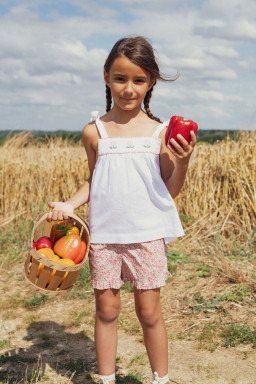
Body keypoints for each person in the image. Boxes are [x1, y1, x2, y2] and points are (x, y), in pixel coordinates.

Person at [47, 36, 196, 384]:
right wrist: (69, 204)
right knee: (107, 310)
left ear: (151, 82)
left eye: (139, 80)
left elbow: (169, 190)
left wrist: (184, 161)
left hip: (146, 236)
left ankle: (161, 379)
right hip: (105, 236)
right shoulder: (93, 132)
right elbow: (95, 179)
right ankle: (106, 378)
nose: (128, 89)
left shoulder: (160, 133)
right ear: (106, 77)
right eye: (120, 78)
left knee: (149, 311)